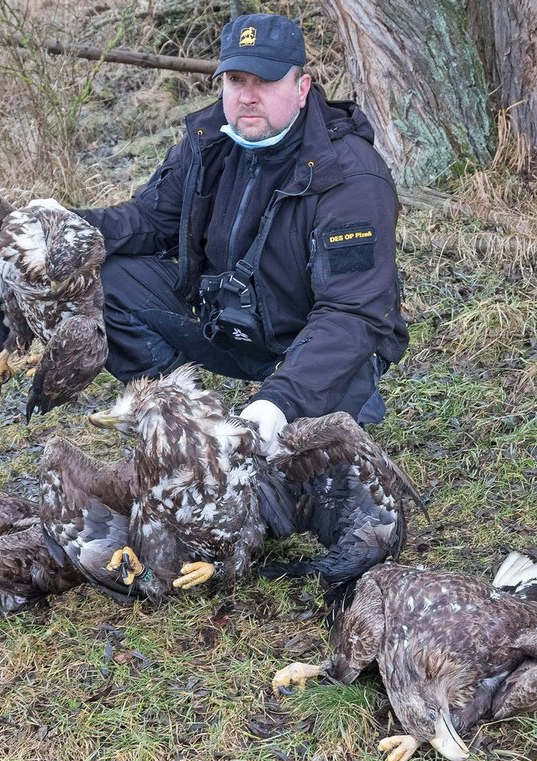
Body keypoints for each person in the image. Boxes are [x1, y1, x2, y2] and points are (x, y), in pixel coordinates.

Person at [74, 12, 408, 455]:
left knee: (305, 473)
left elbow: (353, 313)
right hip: (229, 327)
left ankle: (305, 407)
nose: (248, 97)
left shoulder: (350, 178)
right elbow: (149, 222)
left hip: (314, 339)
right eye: (235, 80)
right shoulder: (209, 142)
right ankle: (181, 418)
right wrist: (60, 228)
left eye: (264, 82)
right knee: (109, 277)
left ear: (302, 88)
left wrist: (279, 399)